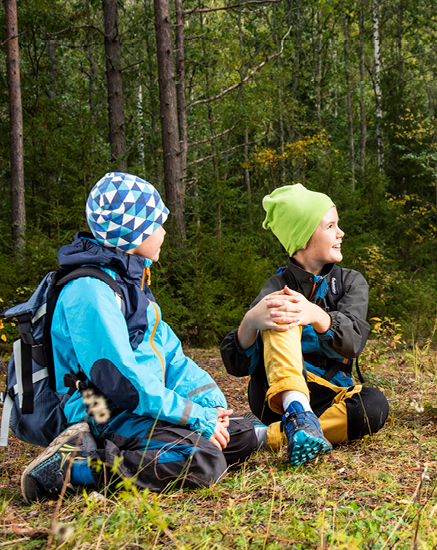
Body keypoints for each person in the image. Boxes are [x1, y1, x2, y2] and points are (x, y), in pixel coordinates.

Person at [20, 173, 259, 503]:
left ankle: (161, 444)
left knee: (241, 435)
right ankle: (71, 469)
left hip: (134, 405)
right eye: (157, 224)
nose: (164, 232)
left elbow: (172, 359)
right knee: (203, 458)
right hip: (100, 411)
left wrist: (210, 406)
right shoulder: (90, 291)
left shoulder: (131, 284)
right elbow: (121, 381)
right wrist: (197, 418)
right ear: (132, 233)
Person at [220, 184, 389, 466]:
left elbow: (353, 343)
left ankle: (264, 436)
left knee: (374, 407)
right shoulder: (277, 287)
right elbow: (237, 366)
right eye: (331, 226)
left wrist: (316, 315)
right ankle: (296, 411)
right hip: (274, 400)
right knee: (281, 312)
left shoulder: (350, 281)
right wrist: (250, 322)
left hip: (328, 396)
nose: (341, 233)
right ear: (304, 237)